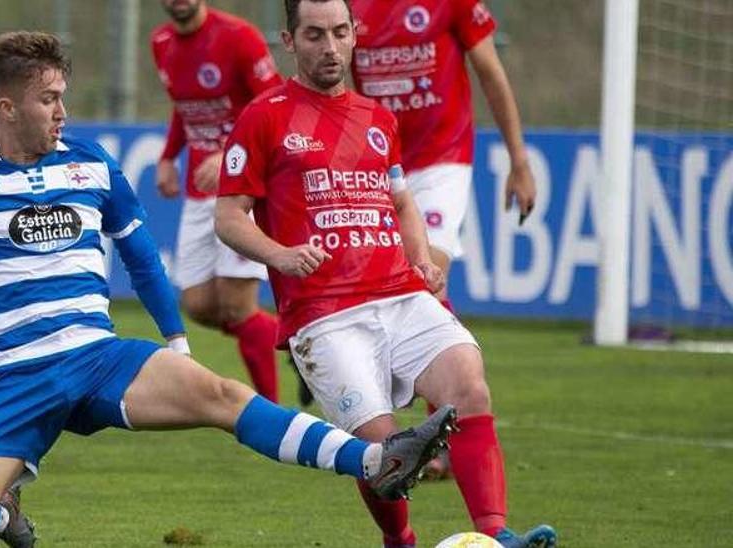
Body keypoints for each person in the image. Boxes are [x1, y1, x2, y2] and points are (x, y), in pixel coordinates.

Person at [0, 30, 455, 548]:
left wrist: (174, 344)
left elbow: (140, 259)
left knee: (223, 396)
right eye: (48, 99)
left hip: (99, 359)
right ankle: (3, 519)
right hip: (9, 378)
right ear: (7, 107)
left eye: (63, 95)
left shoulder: (92, 165)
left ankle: (378, 461)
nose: (62, 111)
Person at [213, 1, 555, 547]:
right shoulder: (265, 115)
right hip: (324, 315)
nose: (330, 47)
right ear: (289, 39)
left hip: (399, 293)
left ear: (355, 36)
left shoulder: (376, 117)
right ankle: (400, 541)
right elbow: (229, 217)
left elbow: (402, 201)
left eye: (341, 33)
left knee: (468, 381)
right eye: (315, 35)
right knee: (381, 450)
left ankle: (494, 536)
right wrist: (279, 255)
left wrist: (420, 257)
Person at [349, 0, 537, 481]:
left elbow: (490, 72)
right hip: (379, 166)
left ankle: (445, 432)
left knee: (422, 275)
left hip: (441, 162)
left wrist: (518, 159)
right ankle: (368, 384)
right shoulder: (348, 8)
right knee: (393, 290)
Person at [149, 0, 284, 402]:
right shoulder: (161, 42)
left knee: (237, 305)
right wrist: (168, 157)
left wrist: (231, 152)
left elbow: (275, 104)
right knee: (198, 304)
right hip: (197, 189)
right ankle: (294, 336)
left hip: (244, 186)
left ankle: (271, 413)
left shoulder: (239, 37)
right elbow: (184, 109)